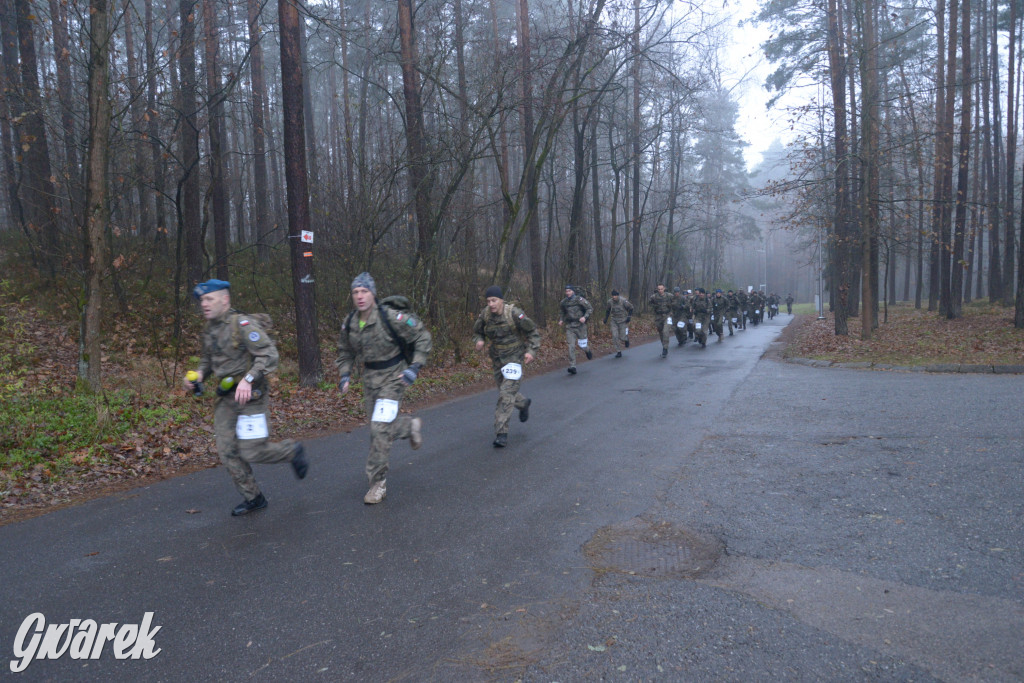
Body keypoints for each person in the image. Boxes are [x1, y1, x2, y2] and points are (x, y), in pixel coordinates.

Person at [185, 279, 308, 516]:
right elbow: (208, 360)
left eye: (209, 298)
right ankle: (254, 498)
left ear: (225, 300)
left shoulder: (242, 325)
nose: (204, 304)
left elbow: (269, 355)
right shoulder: (209, 329)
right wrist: (199, 375)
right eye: (202, 300)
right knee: (227, 450)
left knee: (251, 451)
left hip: (252, 396)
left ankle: (291, 451)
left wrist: (249, 379)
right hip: (225, 398)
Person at [336, 273, 431, 504]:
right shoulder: (350, 322)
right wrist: (345, 374)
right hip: (369, 380)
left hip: (394, 377)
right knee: (379, 429)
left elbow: (422, 336)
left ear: (373, 293)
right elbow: (345, 351)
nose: (359, 296)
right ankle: (409, 426)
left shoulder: (391, 317)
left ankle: (377, 484)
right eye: (355, 292)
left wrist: (415, 367)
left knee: (379, 430)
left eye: (364, 291)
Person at [473, 286, 541, 447]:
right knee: (505, 392)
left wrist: (531, 351)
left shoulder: (514, 314)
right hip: (497, 359)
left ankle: (501, 433)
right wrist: (479, 340)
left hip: (515, 358)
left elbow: (533, 332)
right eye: (488, 301)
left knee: (505, 394)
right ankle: (523, 403)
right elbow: (477, 331)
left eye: (494, 300)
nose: (491, 304)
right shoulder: (485, 315)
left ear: (501, 300)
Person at [558, 285, 593, 374]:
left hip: (580, 325)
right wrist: (561, 319)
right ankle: (572, 366)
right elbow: (562, 311)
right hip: (570, 326)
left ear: (573, 291)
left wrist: (585, 317)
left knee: (582, 345)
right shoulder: (564, 302)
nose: (568, 293)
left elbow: (589, 308)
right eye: (566, 291)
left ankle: (587, 350)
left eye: (569, 291)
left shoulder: (579, 300)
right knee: (571, 346)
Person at [603, 289, 634, 357]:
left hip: (623, 320)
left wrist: (629, 316)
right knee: (614, 336)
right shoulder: (610, 302)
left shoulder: (623, 301)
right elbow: (608, 310)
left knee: (622, 337)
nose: (614, 297)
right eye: (613, 295)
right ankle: (618, 351)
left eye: (615, 295)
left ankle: (626, 339)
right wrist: (606, 318)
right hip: (614, 321)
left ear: (618, 295)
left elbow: (631, 308)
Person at [648, 284, 673, 358]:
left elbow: (676, 302)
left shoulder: (669, 296)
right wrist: (654, 307)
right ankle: (664, 345)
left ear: (664, 289)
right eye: (659, 289)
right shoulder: (654, 296)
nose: (660, 290)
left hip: (667, 316)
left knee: (665, 331)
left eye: (661, 289)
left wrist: (671, 309)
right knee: (661, 332)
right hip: (658, 316)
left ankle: (665, 348)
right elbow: (649, 304)